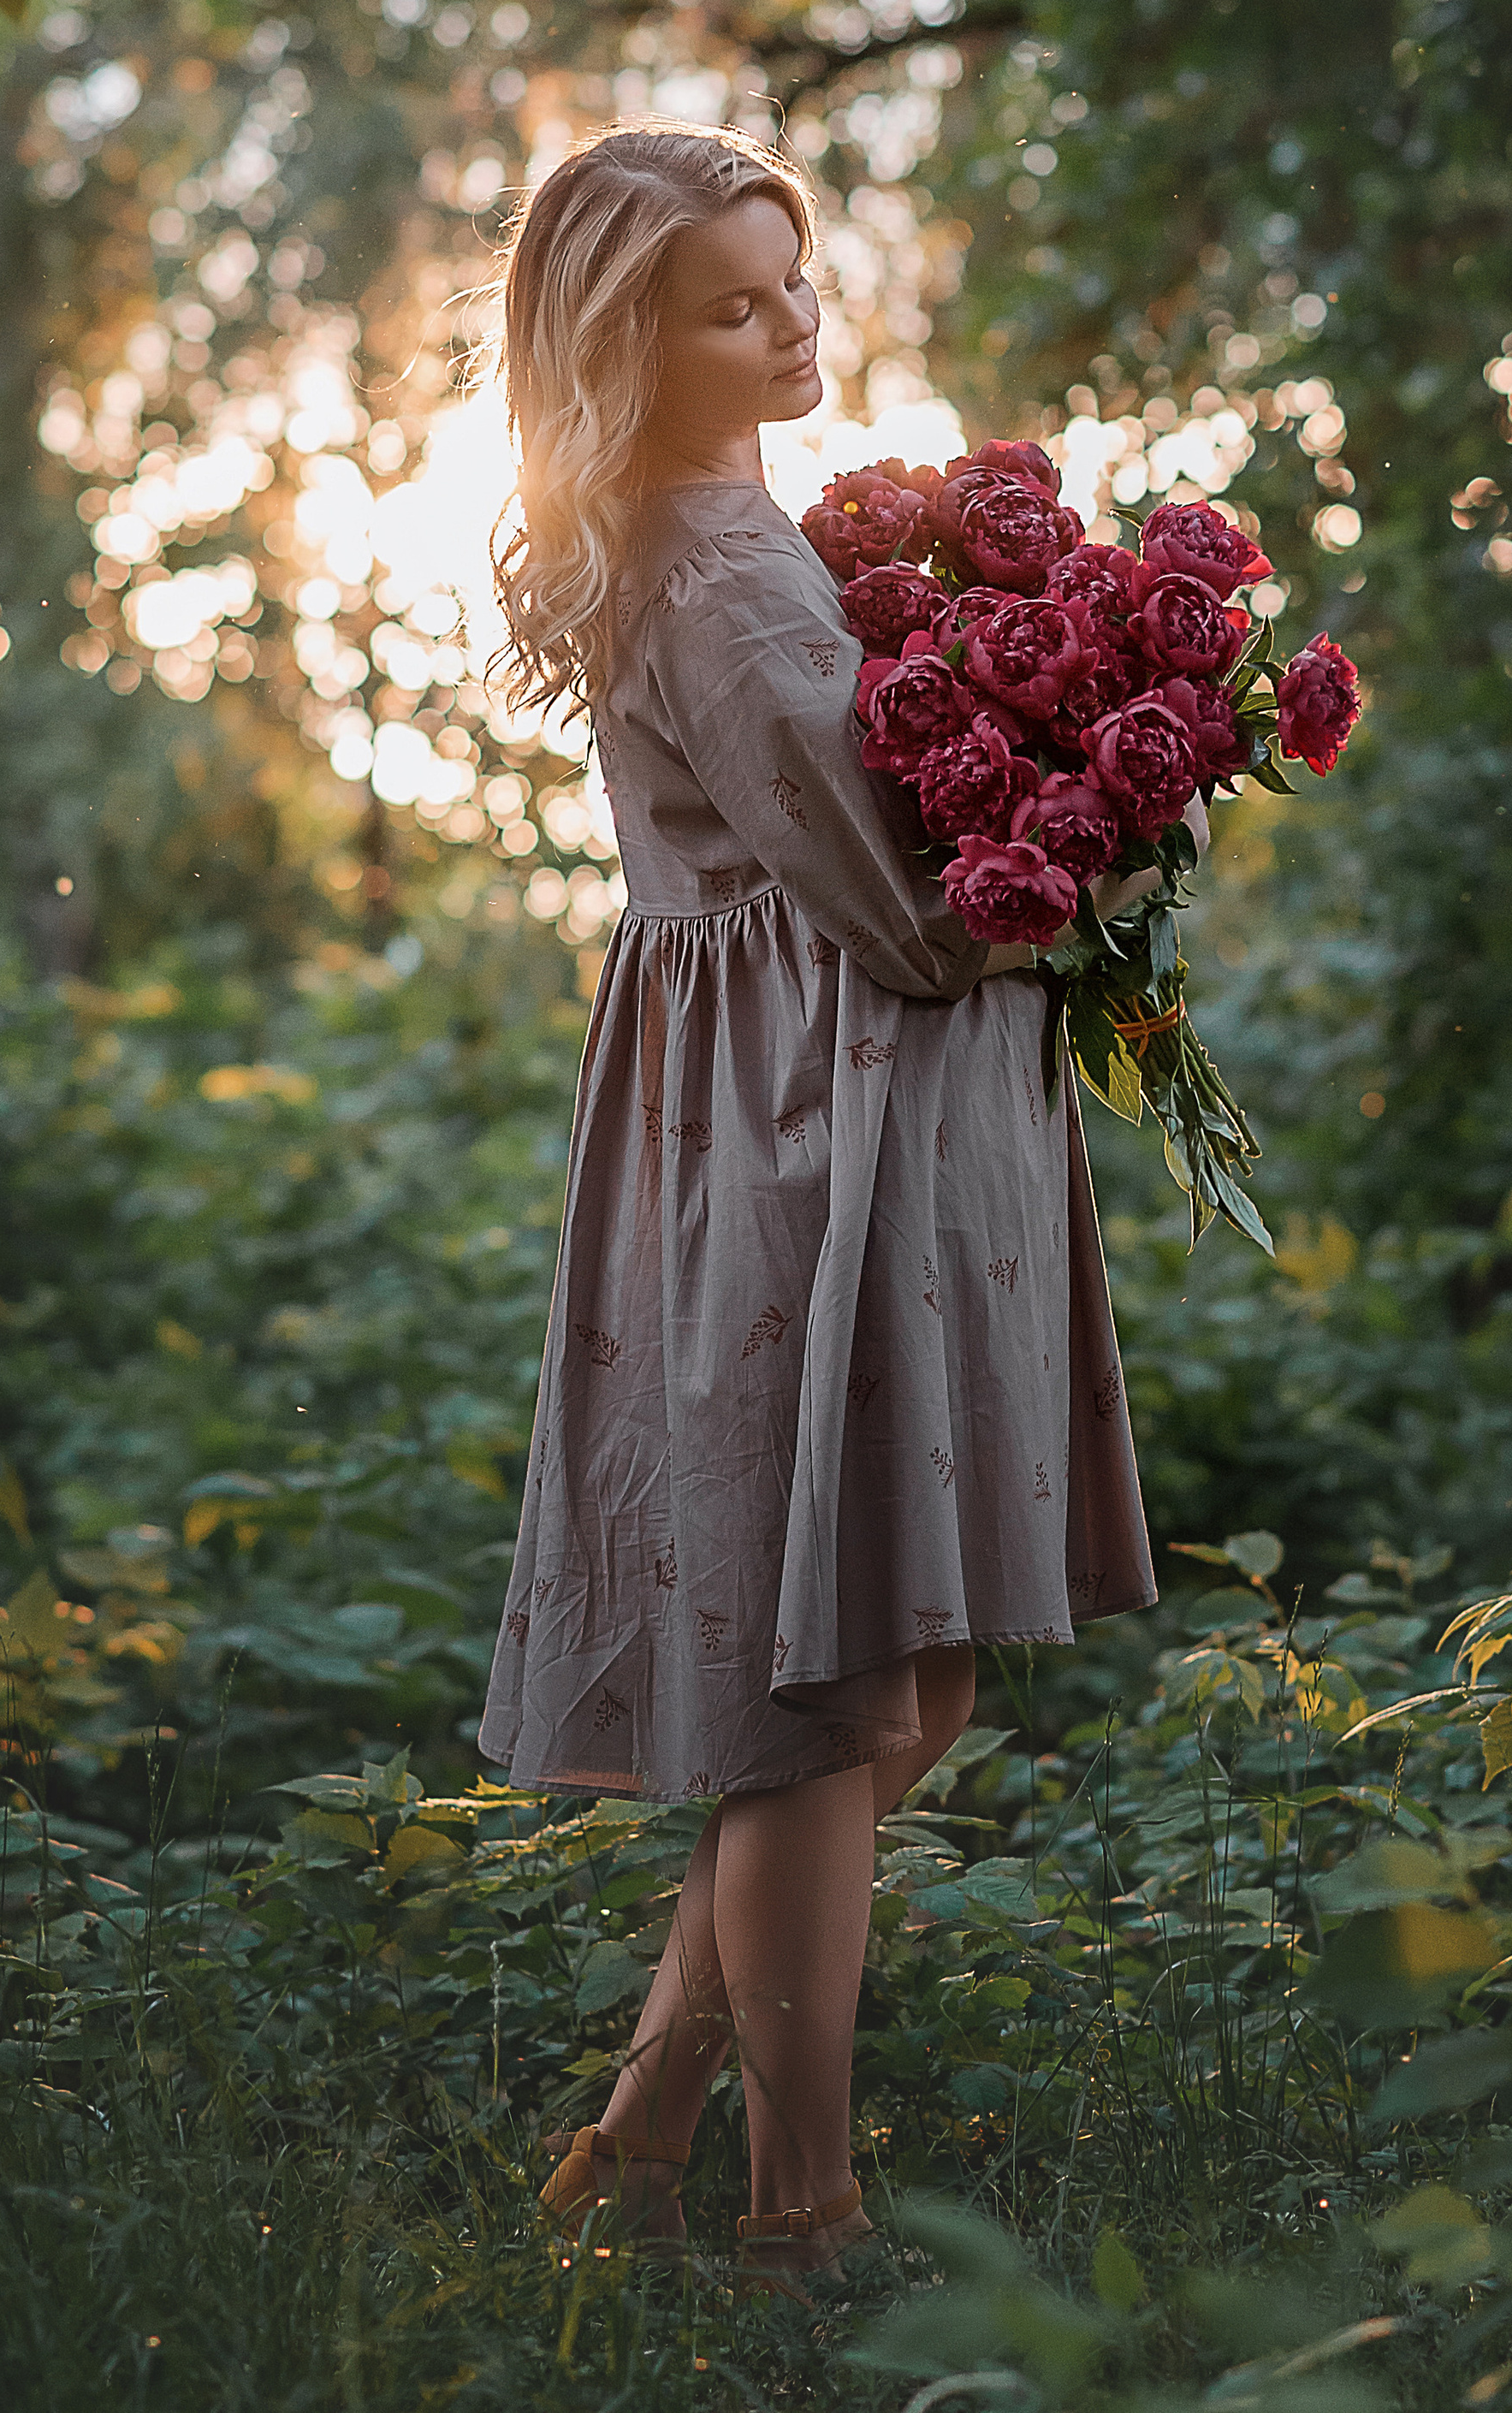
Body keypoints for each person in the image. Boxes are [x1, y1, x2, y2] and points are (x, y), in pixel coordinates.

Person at [477, 118, 1159, 2286]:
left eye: (793, 282)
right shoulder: (716, 570)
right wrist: (1122, 826)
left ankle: (636, 2146)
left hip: (816, 1110)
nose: (788, 328)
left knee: (897, 1690)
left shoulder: (732, 536)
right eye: (730, 306)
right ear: (626, 347)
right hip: (804, 1129)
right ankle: (802, 2216)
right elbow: (900, 902)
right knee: (838, 1695)